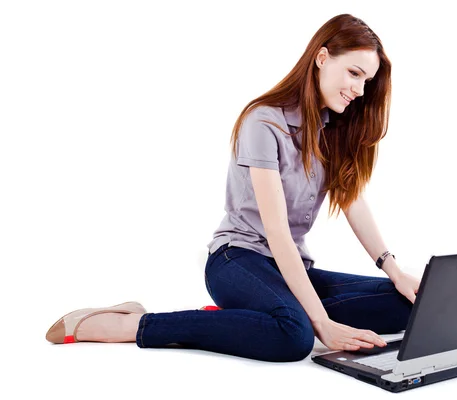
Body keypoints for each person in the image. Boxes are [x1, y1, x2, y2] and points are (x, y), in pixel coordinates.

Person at [45, 13, 421, 363]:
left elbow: (353, 202)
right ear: (322, 57)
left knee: (408, 305)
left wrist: (395, 271)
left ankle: (266, 312)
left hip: (291, 268)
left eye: (366, 81)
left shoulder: (334, 129)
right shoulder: (264, 122)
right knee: (295, 336)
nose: (358, 89)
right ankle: (134, 323)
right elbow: (275, 233)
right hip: (237, 260)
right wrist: (322, 323)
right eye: (354, 73)